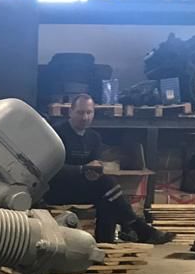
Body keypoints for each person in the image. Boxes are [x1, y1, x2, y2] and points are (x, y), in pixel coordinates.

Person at [44, 94, 174, 244]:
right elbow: (51, 168)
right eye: (80, 112)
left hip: (80, 187)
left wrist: (95, 171)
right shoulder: (57, 133)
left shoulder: (94, 137)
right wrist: (82, 169)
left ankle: (106, 243)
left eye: (89, 112)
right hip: (57, 189)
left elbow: (94, 167)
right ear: (70, 112)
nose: (85, 117)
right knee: (106, 185)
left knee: (107, 196)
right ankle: (138, 228)